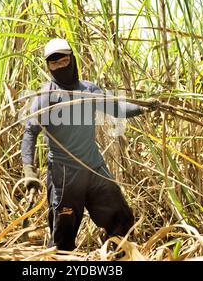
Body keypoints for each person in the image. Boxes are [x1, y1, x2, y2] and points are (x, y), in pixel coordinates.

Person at [21, 38, 158, 251]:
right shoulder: (46, 97)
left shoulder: (88, 89)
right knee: (62, 241)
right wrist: (29, 170)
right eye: (53, 63)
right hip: (65, 177)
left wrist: (144, 107)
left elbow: (117, 109)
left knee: (121, 220)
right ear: (48, 66)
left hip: (95, 169)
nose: (59, 67)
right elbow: (30, 133)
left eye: (63, 61)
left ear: (72, 60)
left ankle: (114, 257)